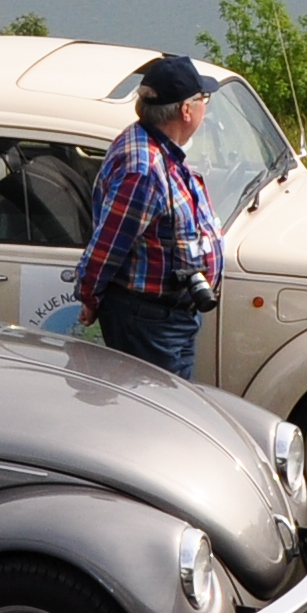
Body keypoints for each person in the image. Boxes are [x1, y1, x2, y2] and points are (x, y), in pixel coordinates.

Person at [72, 53, 221, 377]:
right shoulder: (144, 169)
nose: (205, 108)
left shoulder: (158, 145)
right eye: (203, 99)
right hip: (149, 324)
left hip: (170, 318)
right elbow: (107, 247)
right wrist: (89, 297)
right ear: (186, 110)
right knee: (159, 418)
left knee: (173, 410)